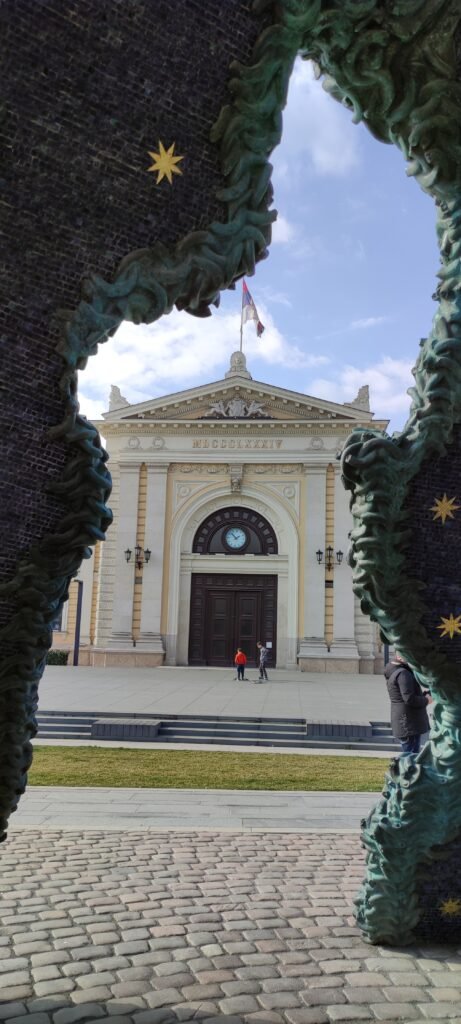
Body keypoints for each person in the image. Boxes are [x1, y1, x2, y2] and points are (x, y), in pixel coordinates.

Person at [384, 652, 431, 754]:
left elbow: (405, 696)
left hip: (404, 721)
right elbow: (409, 699)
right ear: (399, 656)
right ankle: (396, 769)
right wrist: (427, 700)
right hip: (409, 722)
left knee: (409, 756)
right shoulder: (403, 673)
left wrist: (425, 695)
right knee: (411, 757)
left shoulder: (393, 670)